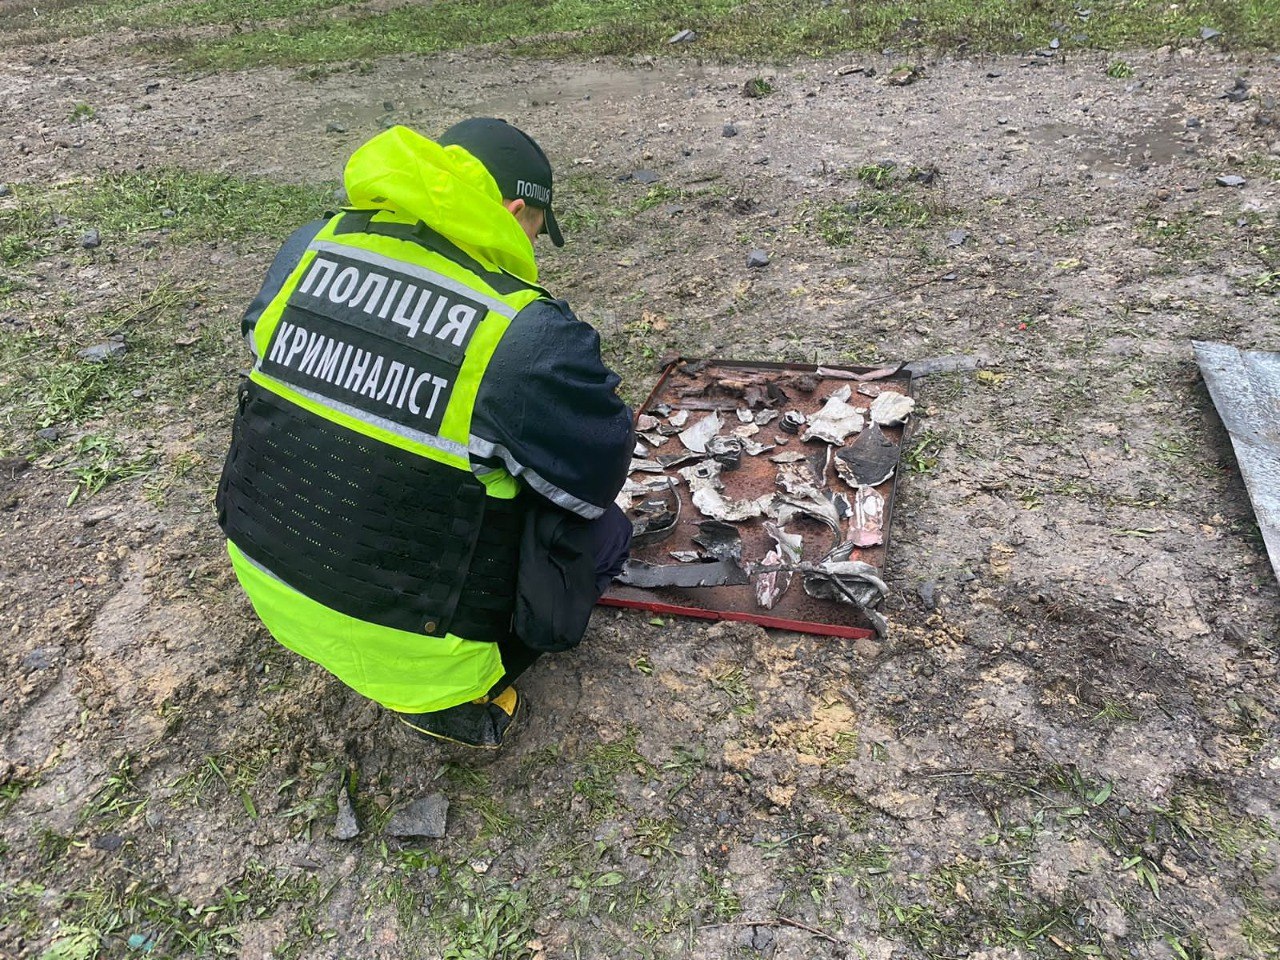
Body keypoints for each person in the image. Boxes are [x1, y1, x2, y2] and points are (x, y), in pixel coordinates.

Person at [216, 118, 634, 749]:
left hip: (266, 579)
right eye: (536, 231)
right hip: (422, 653)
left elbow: (268, 348)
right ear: (515, 210)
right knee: (606, 533)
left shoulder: (312, 243)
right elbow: (593, 476)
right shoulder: (524, 331)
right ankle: (453, 703)